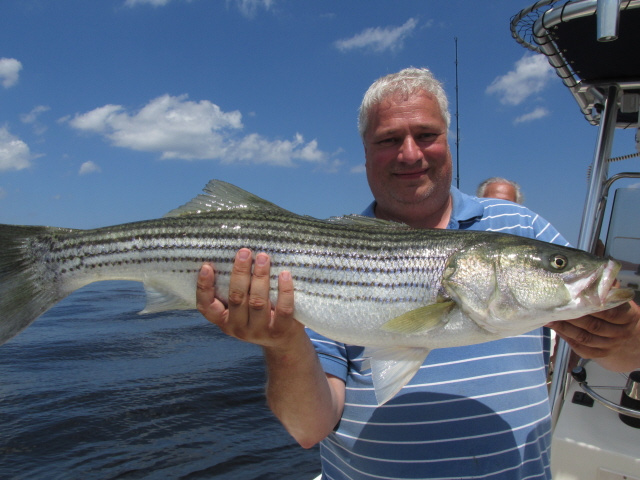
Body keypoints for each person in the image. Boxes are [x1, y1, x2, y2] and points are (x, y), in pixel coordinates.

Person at [196, 68, 640, 479]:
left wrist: (625, 340)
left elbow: (626, 359)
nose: (410, 154)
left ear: (448, 140)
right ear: (365, 153)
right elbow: (309, 428)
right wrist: (284, 343)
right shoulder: (322, 253)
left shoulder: (518, 226)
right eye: (389, 139)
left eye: (426, 135)